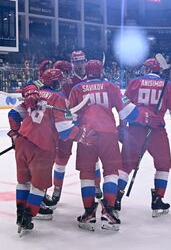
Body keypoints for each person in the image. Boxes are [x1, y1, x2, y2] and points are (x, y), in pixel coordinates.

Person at [7, 69, 92, 236]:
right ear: (55, 82)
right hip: (42, 147)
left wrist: (15, 135)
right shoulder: (59, 98)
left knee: (24, 182)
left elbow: (13, 114)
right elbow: (64, 130)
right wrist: (81, 134)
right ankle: (28, 217)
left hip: (23, 143)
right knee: (39, 186)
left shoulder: (34, 94)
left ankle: (20, 215)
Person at [68, 60, 149, 231]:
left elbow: (71, 119)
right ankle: (109, 212)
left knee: (87, 173)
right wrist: (128, 124)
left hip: (86, 135)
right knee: (111, 171)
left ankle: (89, 214)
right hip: (108, 133)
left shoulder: (77, 89)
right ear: (101, 71)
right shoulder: (111, 87)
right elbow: (127, 112)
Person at [115, 55, 171, 218]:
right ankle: (157, 201)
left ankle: (116, 200)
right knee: (163, 165)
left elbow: (123, 106)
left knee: (125, 165)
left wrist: (124, 125)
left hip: (135, 130)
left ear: (146, 69)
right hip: (157, 132)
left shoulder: (135, 82)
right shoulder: (166, 85)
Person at [44, 51, 102, 208]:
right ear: (72, 63)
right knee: (61, 159)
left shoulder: (94, 79)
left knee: (93, 159)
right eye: (76, 62)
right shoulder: (66, 80)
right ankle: (57, 190)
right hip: (67, 124)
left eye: (82, 61)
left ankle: (97, 186)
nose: (80, 64)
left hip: (87, 124)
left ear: (86, 61)